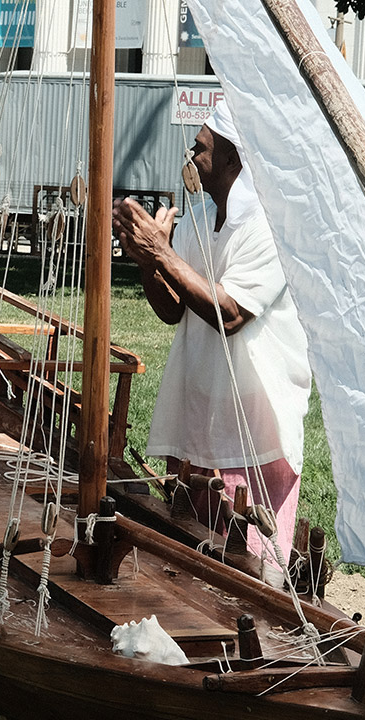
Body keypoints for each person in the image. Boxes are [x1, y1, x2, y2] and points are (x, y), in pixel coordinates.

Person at [111, 101, 311, 580]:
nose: (193, 150)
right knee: (196, 561)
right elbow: (173, 309)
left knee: (254, 571)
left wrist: (162, 251)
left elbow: (231, 312)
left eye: (203, 144)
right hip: (201, 416)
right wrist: (147, 262)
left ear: (232, 159)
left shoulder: (271, 226)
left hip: (254, 430)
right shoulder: (200, 221)